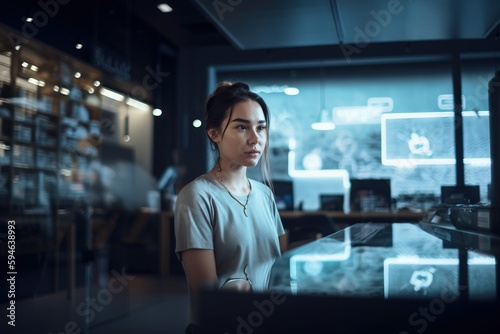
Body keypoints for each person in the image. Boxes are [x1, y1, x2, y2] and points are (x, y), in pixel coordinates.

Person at [174, 82, 285, 333]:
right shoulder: (196, 196)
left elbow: (275, 270)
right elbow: (208, 298)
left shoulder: (265, 195)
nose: (255, 139)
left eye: (261, 128)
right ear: (214, 133)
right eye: (242, 127)